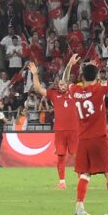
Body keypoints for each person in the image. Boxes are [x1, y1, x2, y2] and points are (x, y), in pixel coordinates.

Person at [69, 40, 108, 215]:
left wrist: (69, 65)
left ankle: (79, 207)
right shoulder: (98, 88)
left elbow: (65, 82)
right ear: (97, 77)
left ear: (82, 77)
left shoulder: (75, 91)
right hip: (99, 138)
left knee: (85, 173)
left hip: (83, 139)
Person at [29, 58, 79, 189]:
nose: (62, 86)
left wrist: (69, 65)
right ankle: (62, 182)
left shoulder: (73, 91)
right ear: (57, 85)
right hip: (60, 130)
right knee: (61, 156)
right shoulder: (53, 94)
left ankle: (82, 179)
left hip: (73, 129)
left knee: (76, 155)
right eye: (60, 84)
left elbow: (66, 76)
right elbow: (38, 88)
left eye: (64, 84)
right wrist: (35, 74)